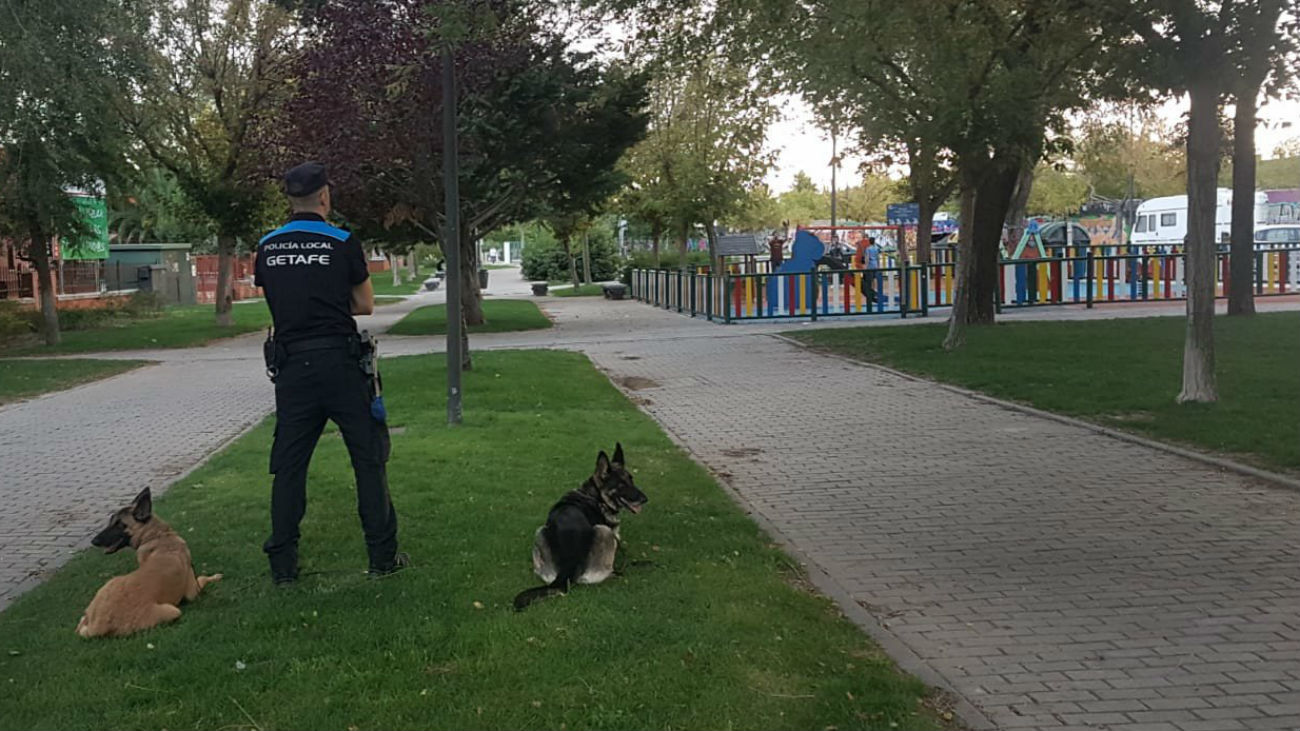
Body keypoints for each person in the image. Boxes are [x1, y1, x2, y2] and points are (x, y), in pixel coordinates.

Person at [254, 162, 407, 586]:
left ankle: (283, 567)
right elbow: (364, 305)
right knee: (368, 460)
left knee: (289, 467)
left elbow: (282, 302)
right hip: (341, 364)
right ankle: (382, 559)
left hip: (291, 369)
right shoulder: (341, 241)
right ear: (325, 196)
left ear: (289, 198)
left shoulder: (267, 246)